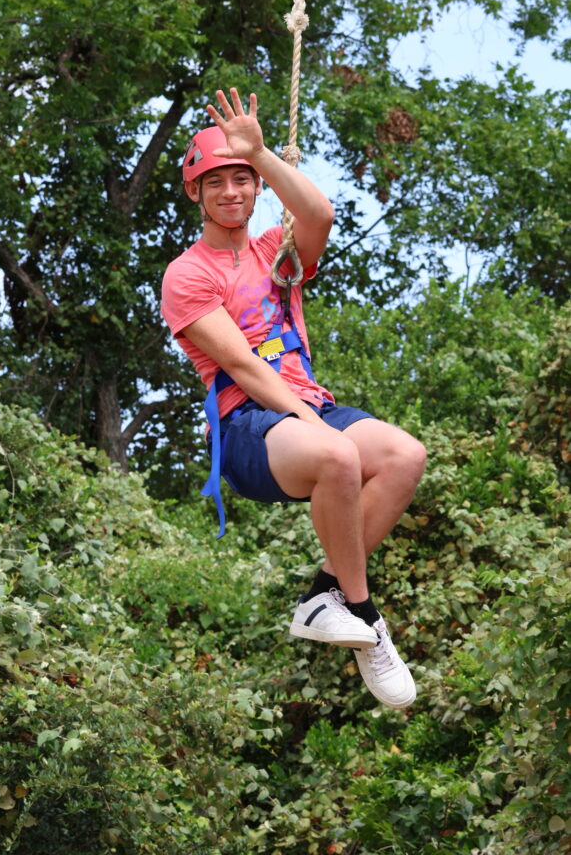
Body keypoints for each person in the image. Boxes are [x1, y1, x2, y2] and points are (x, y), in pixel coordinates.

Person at [161, 88, 426, 708]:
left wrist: (262, 154)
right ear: (195, 193)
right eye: (217, 182)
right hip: (247, 424)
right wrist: (310, 420)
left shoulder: (274, 250)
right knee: (337, 457)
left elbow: (321, 215)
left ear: (256, 187)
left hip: (309, 406)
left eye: (243, 180)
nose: (232, 192)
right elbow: (240, 363)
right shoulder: (188, 274)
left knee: (403, 456)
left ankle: (323, 594)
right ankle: (364, 615)